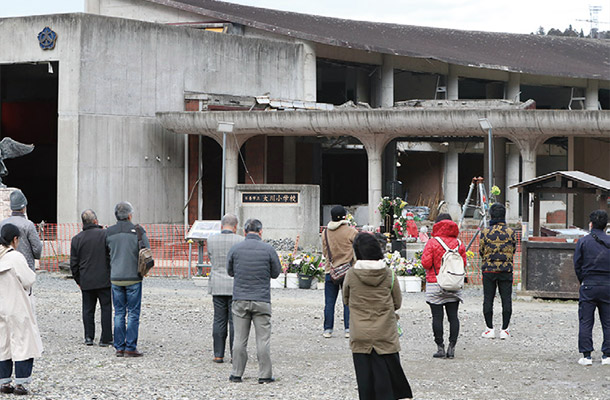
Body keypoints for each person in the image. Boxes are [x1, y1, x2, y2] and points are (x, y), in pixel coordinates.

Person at [343, 232, 412, 400]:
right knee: (387, 383)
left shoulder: (351, 274)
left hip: (360, 334)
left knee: (365, 384)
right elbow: (397, 302)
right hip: (385, 333)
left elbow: (346, 299)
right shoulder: (388, 273)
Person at [226, 219, 281, 384]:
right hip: (262, 299)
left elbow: (230, 271)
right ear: (261, 231)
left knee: (239, 339)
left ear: (244, 232)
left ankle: (236, 373)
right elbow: (276, 273)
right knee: (262, 339)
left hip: (240, 299)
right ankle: (264, 375)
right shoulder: (268, 249)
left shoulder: (235, 249)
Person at [0, 224, 43, 396]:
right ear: (15, 239)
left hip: (1, 307)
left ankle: (4, 381)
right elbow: (28, 279)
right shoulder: (15, 257)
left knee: (3, 343)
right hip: (16, 306)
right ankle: (21, 383)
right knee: (23, 342)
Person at [106, 201, 150, 358]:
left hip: (116, 278)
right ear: (130, 215)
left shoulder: (108, 232)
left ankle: (119, 347)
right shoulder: (138, 231)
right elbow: (147, 251)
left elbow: (105, 255)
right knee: (133, 313)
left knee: (118, 312)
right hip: (134, 278)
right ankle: (130, 347)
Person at [421, 213, 466, 359]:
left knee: (437, 317)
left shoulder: (432, 242)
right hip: (454, 284)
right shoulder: (459, 243)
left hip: (435, 284)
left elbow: (426, 263)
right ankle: (452, 348)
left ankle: (440, 348)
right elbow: (463, 264)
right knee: (453, 316)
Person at [70, 209, 112, 347]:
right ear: (96, 221)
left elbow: (73, 264)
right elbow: (110, 256)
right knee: (106, 308)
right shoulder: (105, 234)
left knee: (88, 309)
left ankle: (89, 337)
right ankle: (105, 338)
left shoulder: (76, 239)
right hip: (104, 278)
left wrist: (78, 280)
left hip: (86, 279)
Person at [573, 209, 610, 366]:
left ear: (591, 224)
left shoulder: (583, 241)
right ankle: (607, 355)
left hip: (588, 284)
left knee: (586, 320)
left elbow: (577, 264)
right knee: (608, 321)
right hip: (608, 285)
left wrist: (584, 279)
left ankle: (586, 355)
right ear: (605, 225)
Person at [206, 213, 243, 363]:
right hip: (235, 284)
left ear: (221, 226)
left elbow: (210, 257)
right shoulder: (240, 240)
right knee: (235, 321)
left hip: (217, 283)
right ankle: (235, 355)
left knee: (219, 319)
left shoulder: (211, 240)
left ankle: (218, 354)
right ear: (236, 226)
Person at [479, 203, 517, 340]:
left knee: (488, 299)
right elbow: (513, 249)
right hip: (506, 270)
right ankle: (505, 330)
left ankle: (489, 329)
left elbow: (481, 251)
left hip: (489, 270)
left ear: (491, 215)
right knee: (506, 299)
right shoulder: (511, 232)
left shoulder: (485, 232)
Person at [321, 205, 357, 338]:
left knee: (329, 302)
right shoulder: (351, 231)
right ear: (345, 217)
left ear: (331, 217)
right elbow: (358, 250)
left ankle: (328, 329)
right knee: (347, 300)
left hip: (330, 270)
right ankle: (348, 329)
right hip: (348, 271)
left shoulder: (325, 232)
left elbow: (325, 252)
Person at [0, 190, 43, 272]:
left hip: (5, 266)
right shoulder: (28, 225)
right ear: (24, 207)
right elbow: (37, 247)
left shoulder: (2, 224)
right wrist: (36, 256)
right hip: (26, 265)